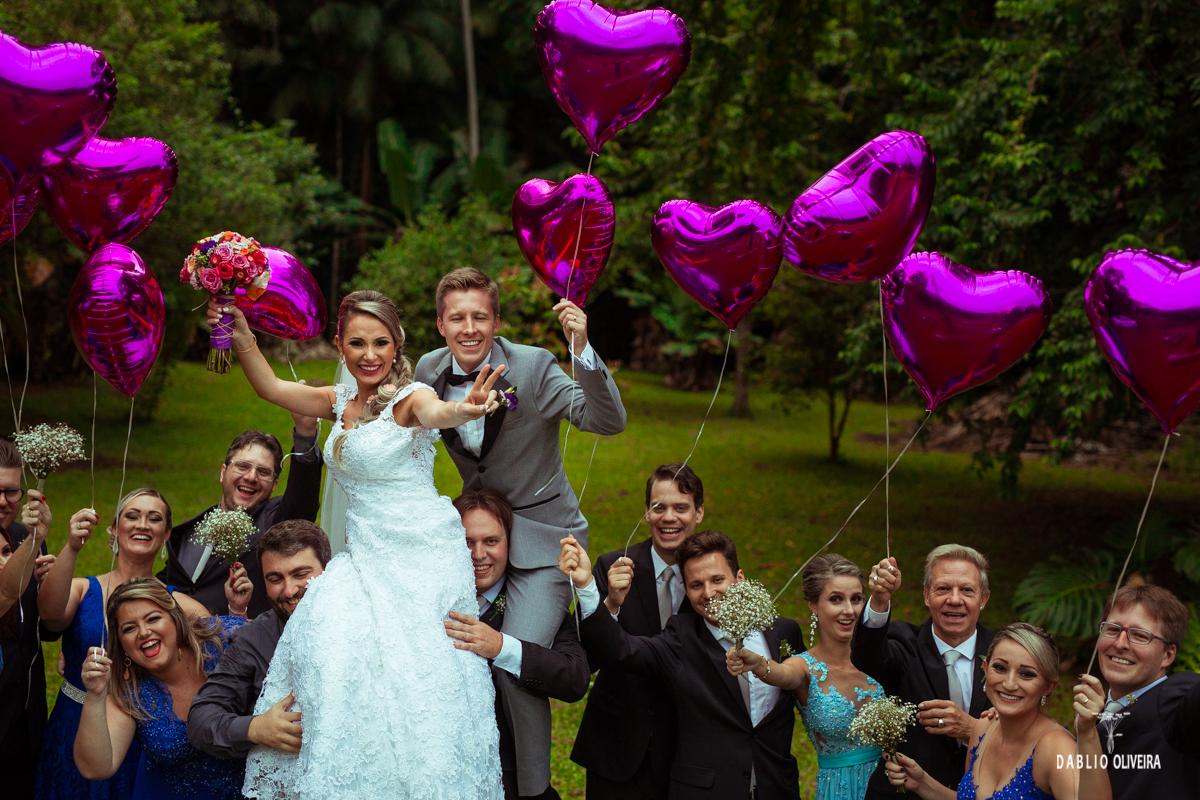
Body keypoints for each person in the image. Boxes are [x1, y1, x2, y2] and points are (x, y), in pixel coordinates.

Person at [217, 289, 504, 799]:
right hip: (366, 555)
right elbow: (270, 387)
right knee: (340, 655)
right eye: (357, 344)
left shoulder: (408, 398)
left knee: (416, 677)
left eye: (380, 343)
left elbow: (439, 412)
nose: (369, 355)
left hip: (420, 554)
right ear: (339, 346)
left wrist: (467, 408)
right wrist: (242, 338)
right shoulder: (337, 402)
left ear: (396, 347)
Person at [414, 266, 627, 797]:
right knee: (441, 662)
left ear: (496, 321)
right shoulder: (428, 369)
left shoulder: (532, 368)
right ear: (440, 324)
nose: (469, 328)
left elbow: (605, 420)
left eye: (480, 316)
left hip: (542, 539)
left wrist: (583, 351)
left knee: (514, 659)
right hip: (474, 538)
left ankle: (533, 790)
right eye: (457, 317)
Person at [562, 529, 806, 800]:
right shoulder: (680, 638)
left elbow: (809, 696)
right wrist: (586, 587)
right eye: (696, 585)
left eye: (717, 579)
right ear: (686, 590)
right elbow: (621, 650)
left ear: (739, 578)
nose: (709, 593)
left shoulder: (785, 632)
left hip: (777, 788)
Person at [34, 489, 219, 800]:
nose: (142, 525)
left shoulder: (182, 606)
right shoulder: (82, 588)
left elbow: (213, 656)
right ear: (114, 528)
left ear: (167, 534)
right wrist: (71, 547)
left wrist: (238, 613)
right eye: (132, 516)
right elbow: (50, 616)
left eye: (154, 518)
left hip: (140, 734)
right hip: (75, 720)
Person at [571, 463, 706, 799]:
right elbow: (585, 657)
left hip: (687, 752)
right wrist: (611, 606)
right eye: (659, 507)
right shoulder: (612, 566)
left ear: (699, 513)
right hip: (618, 748)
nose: (669, 517)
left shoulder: (713, 579)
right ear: (646, 513)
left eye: (681, 508)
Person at [445, 489, 590, 799]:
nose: (478, 554)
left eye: (491, 541)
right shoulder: (433, 602)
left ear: (511, 543)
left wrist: (502, 647)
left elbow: (575, 678)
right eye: (467, 542)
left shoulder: (536, 604)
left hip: (509, 780)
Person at [883, 623, 1111, 800]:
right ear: (985, 668)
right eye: (1000, 668)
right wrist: (922, 783)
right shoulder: (982, 728)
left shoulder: (1055, 747)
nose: (1009, 683)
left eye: (1027, 674)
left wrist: (1088, 732)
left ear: (1048, 686)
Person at [74, 578, 249, 799]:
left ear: (175, 619)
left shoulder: (223, 639)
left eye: (153, 619)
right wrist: (95, 695)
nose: (144, 632)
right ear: (122, 645)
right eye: (129, 628)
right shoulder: (131, 694)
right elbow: (96, 768)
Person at [727, 554, 884, 800]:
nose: (849, 610)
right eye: (835, 599)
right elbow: (783, 675)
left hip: (892, 785)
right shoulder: (803, 667)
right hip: (839, 791)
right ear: (813, 604)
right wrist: (758, 664)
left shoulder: (883, 657)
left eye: (856, 599)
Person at [851, 546, 996, 799]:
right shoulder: (905, 644)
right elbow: (868, 657)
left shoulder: (1004, 654)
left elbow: (1028, 731)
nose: (954, 599)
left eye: (967, 590)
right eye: (942, 589)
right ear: (927, 595)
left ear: (983, 599)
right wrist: (879, 600)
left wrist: (974, 729)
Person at [187, 519, 332, 761]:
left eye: (300, 574)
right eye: (275, 579)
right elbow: (201, 720)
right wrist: (255, 729)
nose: (289, 590)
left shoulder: (365, 622)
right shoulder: (251, 641)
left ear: (327, 569)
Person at [159, 421, 322, 617]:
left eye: (263, 472)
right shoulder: (189, 533)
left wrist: (306, 433)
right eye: (242, 466)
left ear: (273, 485)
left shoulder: (272, 523)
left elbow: (301, 500)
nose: (251, 477)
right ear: (223, 472)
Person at [1093, 584, 1199, 799]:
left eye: (1140, 636)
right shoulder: (1093, 714)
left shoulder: (1176, 706)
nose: (1120, 643)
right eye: (1112, 629)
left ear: (1168, 655)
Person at [0, 439, 55, 800]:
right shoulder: (29, 540)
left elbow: (49, 630)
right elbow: (5, 594)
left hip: (24, 720)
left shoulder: (23, 536)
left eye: (11, 491)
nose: (3, 502)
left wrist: (50, 584)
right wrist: (33, 541)